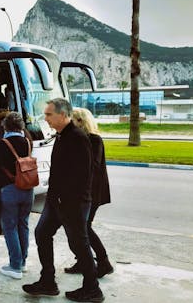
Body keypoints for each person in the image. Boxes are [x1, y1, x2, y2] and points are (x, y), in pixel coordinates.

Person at [22, 98, 104, 303]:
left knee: (79, 244)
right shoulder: (61, 136)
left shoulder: (77, 137)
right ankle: (48, 281)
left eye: (49, 114)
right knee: (42, 233)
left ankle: (92, 289)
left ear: (63, 115)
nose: (46, 118)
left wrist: (64, 200)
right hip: (57, 201)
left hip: (72, 203)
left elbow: (83, 176)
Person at [65, 108, 113, 278]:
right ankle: (84, 261)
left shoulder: (94, 140)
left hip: (92, 192)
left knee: (84, 227)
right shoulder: (79, 139)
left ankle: (103, 261)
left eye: (73, 120)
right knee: (80, 228)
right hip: (83, 192)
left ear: (80, 121)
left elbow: (92, 167)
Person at [0, 112, 34, 280]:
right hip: (28, 190)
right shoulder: (28, 142)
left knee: (10, 227)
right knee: (23, 225)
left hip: (9, 190)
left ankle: (15, 266)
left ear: (5, 126)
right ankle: (23, 262)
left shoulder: (2, 144)